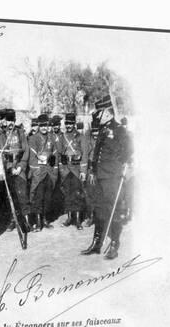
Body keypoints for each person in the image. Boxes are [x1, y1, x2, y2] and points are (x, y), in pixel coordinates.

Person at [81, 96, 133, 259]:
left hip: (112, 176)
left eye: (100, 113)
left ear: (107, 113)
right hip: (100, 176)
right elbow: (96, 153)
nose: (98, 116)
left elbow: (129, 150)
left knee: (114, 210)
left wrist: (123, 163)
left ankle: (114, 246)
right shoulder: (103, 129)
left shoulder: (119, 130)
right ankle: (96, 244)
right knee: (99, 210)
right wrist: (92, 170)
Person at [0, 109, 30, 231]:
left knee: (22, 195)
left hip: (19, 168)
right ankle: (13, 220)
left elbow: (26, 150)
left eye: (11, 120)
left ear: (14, 120)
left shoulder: (20, 132)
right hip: (8, 168)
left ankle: (26, 220)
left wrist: (20, 166)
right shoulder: (2, 134)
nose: (9, 123)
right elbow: (2, 150)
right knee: (10, 197)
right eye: (7, 121)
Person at [27, 114, 59, 231]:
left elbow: (55, 154)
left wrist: (54, 169)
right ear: (39, 126)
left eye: (46, 125)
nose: (44, 128)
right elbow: (33, 157)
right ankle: (38, 221)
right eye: (42, 126)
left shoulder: (52, 138)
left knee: (48, 197)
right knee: (38, 197)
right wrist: (37, 170)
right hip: (39, 172)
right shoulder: (33, 138)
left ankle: (45, 219)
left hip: (49, 172)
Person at [57, 113, 89, 230]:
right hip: (66, 169)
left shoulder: (81, 137)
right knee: (67, 194)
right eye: (67, 123)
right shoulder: (62, 137)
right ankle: (70, 218)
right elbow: (59, 154)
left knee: (77, 194)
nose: (69, 126)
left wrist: (83, 171)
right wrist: (61, 168)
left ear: (74, 124)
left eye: (71, 123)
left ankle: (78, 220)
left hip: (76, 169)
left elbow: (85, 155)